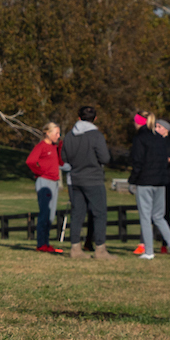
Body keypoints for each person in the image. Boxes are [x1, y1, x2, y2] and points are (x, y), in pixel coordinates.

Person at [60, 106, 112, 260]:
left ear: (78, 118)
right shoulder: (96, 135)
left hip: (75, 179)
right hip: (93, 179)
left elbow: (64, 156)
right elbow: (105, 158)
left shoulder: (69, 136)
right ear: (95, 119)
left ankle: (75, 248)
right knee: (99, 213)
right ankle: (100, 250)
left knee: (77, 214)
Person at [129, 115, 170, 260]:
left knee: (145, 217)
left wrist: (133, 180)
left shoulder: (140, 139)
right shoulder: (162, 140)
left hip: (145, 181)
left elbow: (137, 161)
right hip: (161, 181)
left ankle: (149, 251)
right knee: (159, 217)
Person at [26, 122, 65, 253]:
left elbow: (61, 162)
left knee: (51, 214)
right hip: (44, 181)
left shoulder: (54, 147)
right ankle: (41, 243)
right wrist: (40, 172)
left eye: (59, 133)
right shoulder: (41, 146)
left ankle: (46, 243)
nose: (58, 136)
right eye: (56, 133)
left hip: (54, 181)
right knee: (45, 213)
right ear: (47, 133)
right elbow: (30, 161)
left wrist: (60, 148)